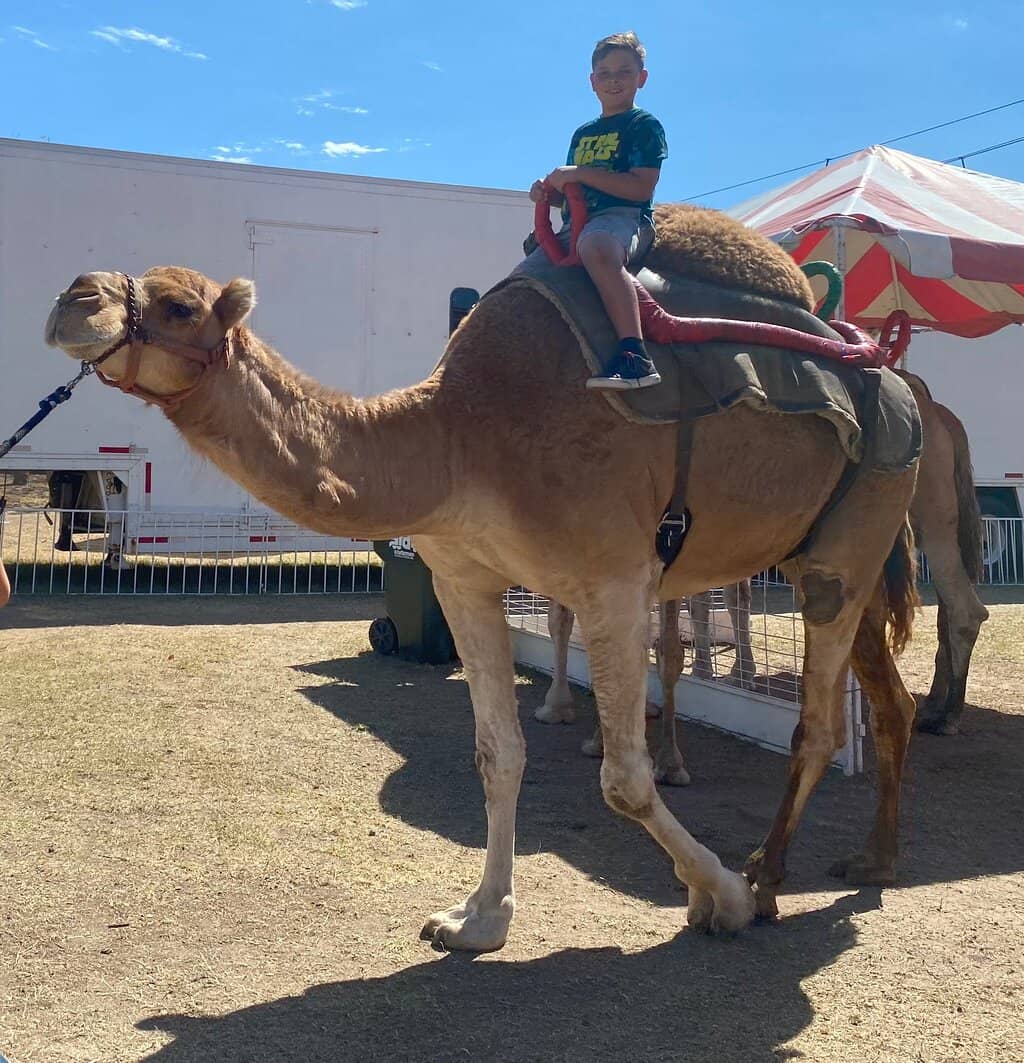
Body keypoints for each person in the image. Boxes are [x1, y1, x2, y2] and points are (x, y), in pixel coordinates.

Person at [529, 31, 668, 390]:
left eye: (624, 71)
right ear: (592, 82)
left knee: (597, 248)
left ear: (642, 77)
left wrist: (578, 173)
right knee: (525, 273)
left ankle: (634, 355)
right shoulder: (582, 133)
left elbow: (640, 187)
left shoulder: (643, 126)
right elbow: (579, 194)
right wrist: (548, 195)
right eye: (604, 73)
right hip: (575, 224)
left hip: (623, 218)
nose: (614, 80)